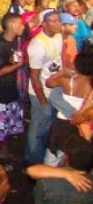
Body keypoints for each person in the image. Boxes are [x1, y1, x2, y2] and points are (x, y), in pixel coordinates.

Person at [26, 9, 63, 165]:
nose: (58, 24)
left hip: (54, 90)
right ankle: (33, 162)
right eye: (53, 21)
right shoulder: (38, 45)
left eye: (58, 20)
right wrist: (43, 103)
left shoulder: (58, 36)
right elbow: (34, 77)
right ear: (44, 24)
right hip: (40, 93)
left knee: (48, 128)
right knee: (38, 130)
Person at [0, 13, 26, 165]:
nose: (23, 26)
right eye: (20, 24)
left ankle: (6, 153)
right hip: (1, 95)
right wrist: (17, 65)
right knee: (0, 130)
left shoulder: (15, 41)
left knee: (10, 128)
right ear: (11, 25)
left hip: (12, 92)